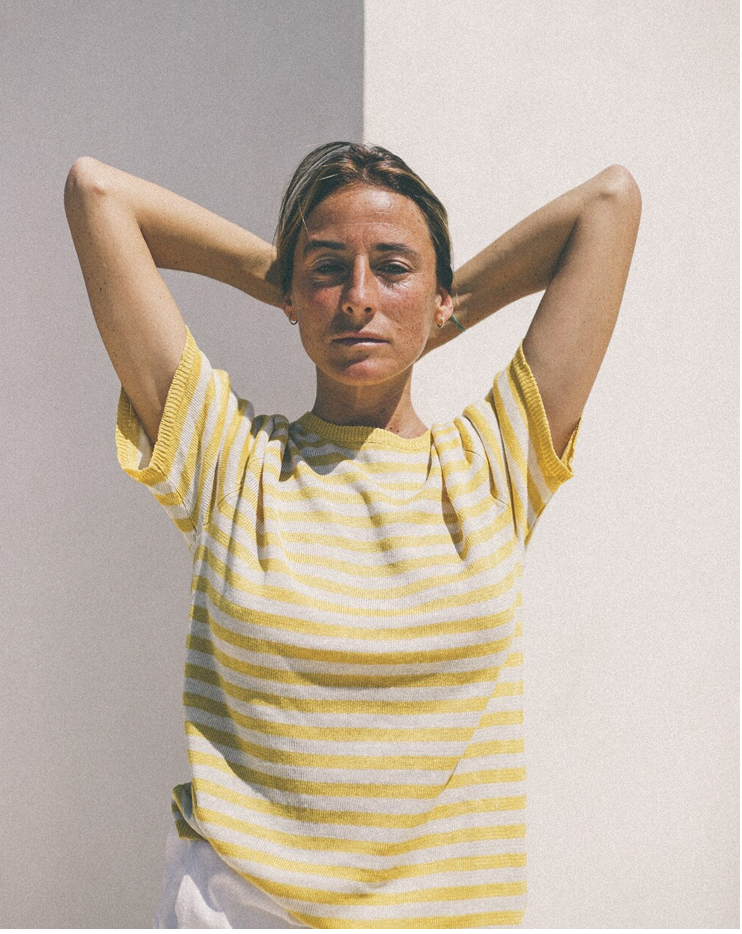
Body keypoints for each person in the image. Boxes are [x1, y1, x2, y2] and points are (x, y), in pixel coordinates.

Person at [64, 142, 641, 929]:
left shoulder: (494, 468)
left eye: (393, 269)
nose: (359, 298)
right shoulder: (229, 462)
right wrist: (278, 275)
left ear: (440, 296)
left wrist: (439, 308)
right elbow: (97, 194)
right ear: (293, 293)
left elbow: (610, 203)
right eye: (329, 269)